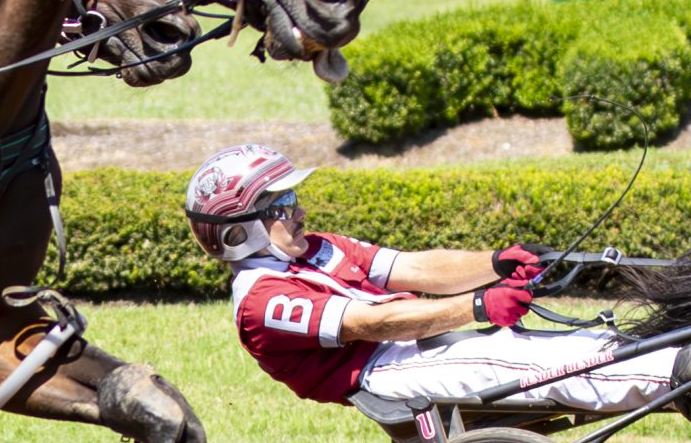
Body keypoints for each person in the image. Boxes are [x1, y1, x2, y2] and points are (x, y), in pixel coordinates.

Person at [187, 144, 686, 413]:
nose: (297, 213)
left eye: (293, 201)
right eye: (281, 206)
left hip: (414, 348)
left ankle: (666, 358)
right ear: (240, 231)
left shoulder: (319, 247)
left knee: (566, 340)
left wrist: (496, 263)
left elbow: (419, 268)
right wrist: (477, 306)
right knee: (511, 357)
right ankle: (673, 374)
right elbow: (369, 324)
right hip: (380, 373)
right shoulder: (260, 302)